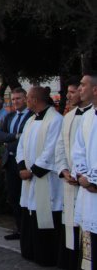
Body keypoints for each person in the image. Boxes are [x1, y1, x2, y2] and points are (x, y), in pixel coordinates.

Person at [16, 86, 63, 266]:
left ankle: (47, 255)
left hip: (46, 180)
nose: (26, 100)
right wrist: (21, 167)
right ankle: (30, 251)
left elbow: (51, 150)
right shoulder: (30, 120)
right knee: (29, 212)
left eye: (27, 98)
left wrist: (33, 171)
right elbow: (21, 146)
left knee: (45, 214)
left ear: (35, 100)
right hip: (28, 179)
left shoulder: (55, 120)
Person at [55, 76, 92, 269]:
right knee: (71, 225)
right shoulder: (68, 117)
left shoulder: (91, 116)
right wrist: (63, 170)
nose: (67, 96)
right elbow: (60, 147)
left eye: (72, 92)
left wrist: (82, 174)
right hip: (71, 180)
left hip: (88, 181)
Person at [0, 87, 32, 240]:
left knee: (26, 197)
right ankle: (19, 228)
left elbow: (25, 139)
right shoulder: (9, 116)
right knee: (13, 197)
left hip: (24, 161)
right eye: (13, 99)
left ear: (25, 98)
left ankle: (28, 230)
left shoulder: (31, 116)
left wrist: (10, 138)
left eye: (18, 98)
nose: (15, 102)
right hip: (9, 161)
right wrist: (14, 136)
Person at [72, 72, 97, 270]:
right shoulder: (87, 117)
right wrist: (81, 175)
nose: (79, 88)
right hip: (88, 192)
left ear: (95, 89)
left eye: (83, 85)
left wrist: (94, 181)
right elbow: (78, 150)